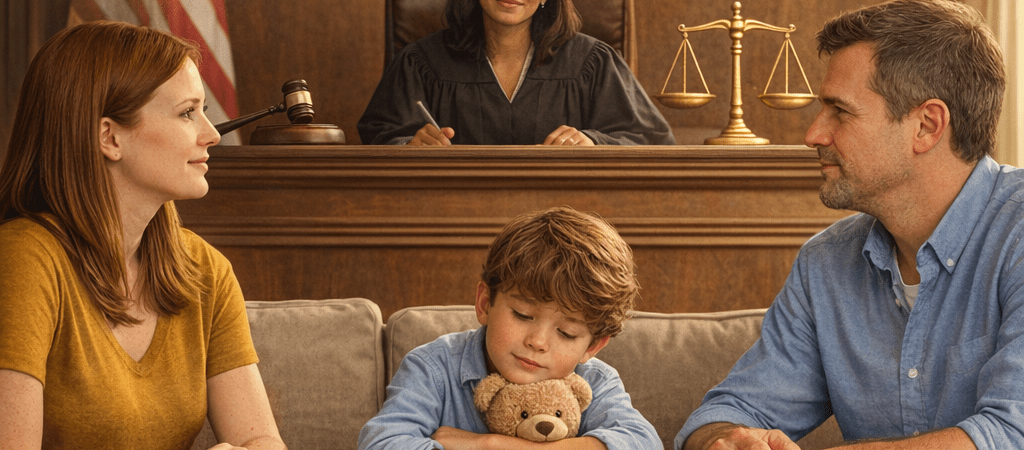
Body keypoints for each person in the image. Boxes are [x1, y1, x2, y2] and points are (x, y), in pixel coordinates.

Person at [676, 0, 1022, 449]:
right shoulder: (826, 263)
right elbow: (730, 411)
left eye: (840, 111)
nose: (813, 134)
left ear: (926, 125)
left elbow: (1011, 434)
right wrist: (723, 441)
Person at [0, 21, 286, 449]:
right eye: (188, 112)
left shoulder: (205, 269)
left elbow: (262, 441)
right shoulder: (22, 259)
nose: (211, 134)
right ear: (110, 137)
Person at [358, 206, 660, 449]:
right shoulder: (433, 366)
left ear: (592, 347)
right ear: (484, 303)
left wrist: (489, 445)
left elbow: (642, 441)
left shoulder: (594, 380)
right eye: (523, 314)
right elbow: (383, 442)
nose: (538, 342)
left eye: (567, 333)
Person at [357, 0, 676, 146]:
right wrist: (409, 146)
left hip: (567, 233)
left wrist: (592, 142)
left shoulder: (593, 62)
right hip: (453, 224)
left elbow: (652, 142)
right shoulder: (420, 62)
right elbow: (378, 135)